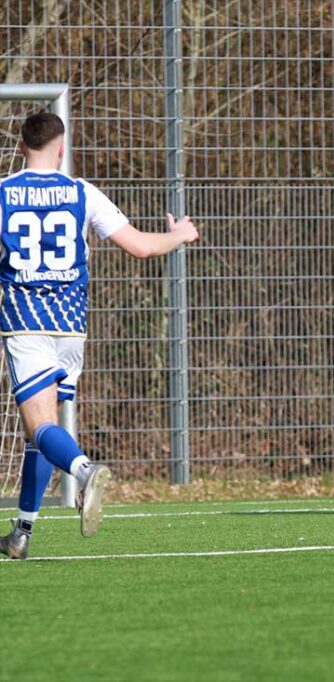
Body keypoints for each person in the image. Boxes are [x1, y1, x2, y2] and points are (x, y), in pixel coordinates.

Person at [0, 112, 199, 559]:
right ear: (62, 147)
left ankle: (85, 471)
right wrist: (180, 234)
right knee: (39, 435)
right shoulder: (80, 192)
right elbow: (142, 247)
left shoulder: (4, 192)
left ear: (19, 148)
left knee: (42, 426)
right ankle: (22, 533)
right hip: (71, 325)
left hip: (26, 322)